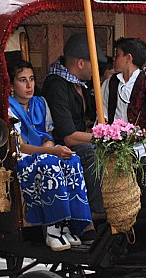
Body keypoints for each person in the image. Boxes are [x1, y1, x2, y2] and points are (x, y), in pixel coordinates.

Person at [6, 55, 92, 251]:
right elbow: (19, 146)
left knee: (73, 159)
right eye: (22, 80)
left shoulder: (40, 102)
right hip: (24, 158)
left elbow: (48, 135)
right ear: (11, 85)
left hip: (44, 151)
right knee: (49, 162)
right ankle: (52, 228)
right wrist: (50, 151)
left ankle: (71, 224)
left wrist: (54, 148)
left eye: (32, 79)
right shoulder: (8, 107)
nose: (29, 85)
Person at [42, 33, 106, 223]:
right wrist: (102, 138)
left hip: (81, 138)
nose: (96, 70)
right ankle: (96, 211)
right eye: (93, 64)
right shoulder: (56, 85)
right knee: (91, 152)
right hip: (61, 146)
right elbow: (69, 137)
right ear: (80, 63)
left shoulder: (82, 86)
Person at [101, 38, 146, 158]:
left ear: (128, 58)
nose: (114, 59)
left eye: (118, 55)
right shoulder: (109, 83)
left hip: (140, 149)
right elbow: (103, 111)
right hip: (113, 149)